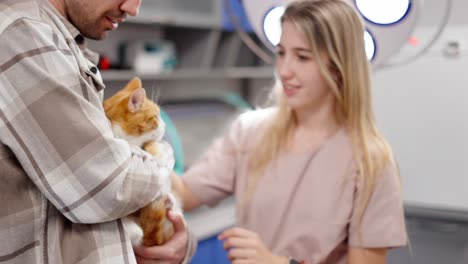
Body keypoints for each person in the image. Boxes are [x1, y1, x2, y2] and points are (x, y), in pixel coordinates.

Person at [172, 0, 407, 263]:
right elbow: (183, 193)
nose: (284, 71)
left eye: (303, 57)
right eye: (281, 53)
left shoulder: (371, 161)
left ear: (340, 67)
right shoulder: (250, 130)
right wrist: (137, 159)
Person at [0, 0, 196, 263]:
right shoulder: (22, 35)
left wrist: (173, 243)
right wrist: (163, 161)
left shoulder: (60, 38)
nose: (133, 8)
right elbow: (107, 184)